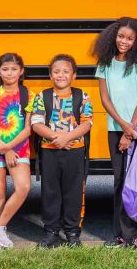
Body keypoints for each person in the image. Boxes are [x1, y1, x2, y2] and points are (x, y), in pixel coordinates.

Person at [93, 17, 137, 248]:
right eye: (121, 36)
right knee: (119, 181)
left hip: (136, 130)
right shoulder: (105, 64)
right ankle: (118, 234)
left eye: (129, 38)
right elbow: (105, 99)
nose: (124, 41)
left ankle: (132, 235)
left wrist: (130, 131)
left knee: (134, 182)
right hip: (114, 129)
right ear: (113, 36)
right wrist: (122, 127)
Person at [31, 53, 94, 249]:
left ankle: (73, 232)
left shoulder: (81, 96)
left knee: (73, 192)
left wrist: (66, 138)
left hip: (75, 151)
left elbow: (87, 123)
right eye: (56, 71)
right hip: (49, 151)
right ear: (50, 75)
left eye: (66, 71)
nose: (61, 75)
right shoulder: (43, 96)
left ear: (74, 75)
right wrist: (56, 139)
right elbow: (36, 123)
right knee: (51, 192)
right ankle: (51, 231)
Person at [0, 52, 34, 250]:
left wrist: (10, 148)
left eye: (14, 69)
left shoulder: (28, 95)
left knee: (23, 187)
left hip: (19, 149)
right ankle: (0, 240)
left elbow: (28, 128)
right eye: (5, 69)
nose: (9, 73)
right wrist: (3, 148)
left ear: (21, 71)